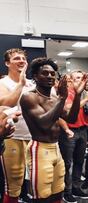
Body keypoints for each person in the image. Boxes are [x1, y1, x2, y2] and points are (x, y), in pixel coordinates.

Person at [19, 57, 87, 202]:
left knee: (58, 192)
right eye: (45, 73)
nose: (50, 76)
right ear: (36, 77)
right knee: (42, 196)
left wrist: (78, 95)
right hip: (40, 149)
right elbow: (44, 124)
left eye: (52, 74)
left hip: (56, 148)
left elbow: (71, 118)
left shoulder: (54, 97)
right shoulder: (28, 97)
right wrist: (62, 98)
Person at [0, 48, 34, 203]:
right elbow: (6, 104)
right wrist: (20, 84)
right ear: (7, 63)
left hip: (33, 136)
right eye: (16, 58)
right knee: (13, 183)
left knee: (37, 179)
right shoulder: (3, 83)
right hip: (12, 136)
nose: (21, 60)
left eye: (23, 58)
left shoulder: (33, 83)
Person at [59, 70, 88, 202]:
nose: (80, 80)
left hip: (83, 130)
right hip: (70, 132)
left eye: (82, 78)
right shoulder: (66, 93)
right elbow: (69, 108)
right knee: (67, 164)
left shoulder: (84, 92)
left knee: (79, 161)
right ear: (71, 80)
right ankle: (66, 191)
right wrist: (87, 97)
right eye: (77, 78)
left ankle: (76, 187)